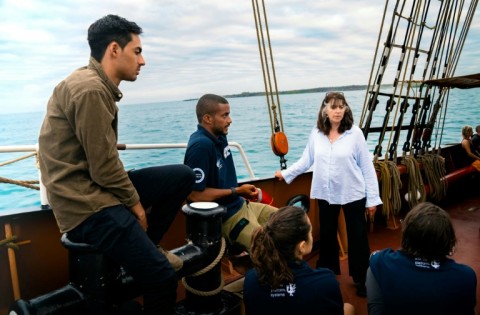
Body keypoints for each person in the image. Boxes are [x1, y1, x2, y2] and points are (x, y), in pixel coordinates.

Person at [38, 15, 195, 314]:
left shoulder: (92, 83)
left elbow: (99, 157)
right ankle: (150, 260)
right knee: (162, 278)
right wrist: (135, 205)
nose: (143, 60)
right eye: (137, 51)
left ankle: (148, 248)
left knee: (181, 176)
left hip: (97, 187)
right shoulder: (91, 90)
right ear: (113, 49)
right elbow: (102, 167)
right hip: (85, 204)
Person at [274, 92, 382, 297]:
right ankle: (328, 274)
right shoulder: (316, 133)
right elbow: (306, 160)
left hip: (353, 193)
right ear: (324, 109)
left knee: (358, 237)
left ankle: (362, 279)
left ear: (346, 109)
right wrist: (286, 173)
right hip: (326, 193)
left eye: (342, 107)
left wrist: (372, 199)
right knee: (327, 235)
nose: (338, 111)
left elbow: (367, 168)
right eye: (333, 107)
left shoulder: (355, 133)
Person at [184, 94, 277, 252]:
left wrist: (239, 192)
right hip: (228, 217)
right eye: (225, 115)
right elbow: (194, 195)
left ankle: (247, 266)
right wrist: (236, 191)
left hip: (241, 205)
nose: (230, 120)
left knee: (294, 223)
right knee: (267, 250)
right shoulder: (201, 147)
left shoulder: (219, 137)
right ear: (208, 118)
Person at [367, 202, 477, 315]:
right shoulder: (466, 276)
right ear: (447, 240)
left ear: (407, 235)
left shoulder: (382, 262)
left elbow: (374, 258)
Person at [244, 206, 355, 315]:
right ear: (302, 246)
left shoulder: (250, 279)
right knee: (349, 308)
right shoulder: (325, 281)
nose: (311, 235)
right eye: (310, 232)